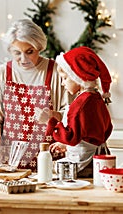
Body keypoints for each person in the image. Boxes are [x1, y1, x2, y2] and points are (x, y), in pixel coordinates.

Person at [0, 19, 70, 171]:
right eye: (17, 53)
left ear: (39, 47)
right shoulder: (1, 74)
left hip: (50, 160)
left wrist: (53, 115)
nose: (23, 59)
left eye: (29, 52)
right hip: (10, 161)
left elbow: (71, 116)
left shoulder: (56, 71)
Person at [45, 46, 113, 177]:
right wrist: (66, 146)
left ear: (78, 76)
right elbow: (106, 129)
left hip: (83, 161)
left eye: (65, 78)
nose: (62, 84)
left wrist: (52, 122)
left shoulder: (80, 104)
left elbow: (71, 137)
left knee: (52, 168)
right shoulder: (96, 98)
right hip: (99, 158)